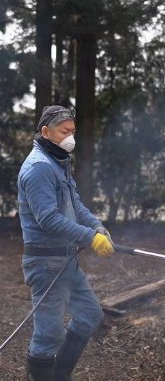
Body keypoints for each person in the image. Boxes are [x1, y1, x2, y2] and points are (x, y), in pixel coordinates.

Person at [18, 105, 114, 381]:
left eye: (73, 131)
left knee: (89, 315)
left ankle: (59, 376)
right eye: (65, 131)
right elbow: (48, 219)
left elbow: (75, 205)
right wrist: (89, 238)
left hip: (66, 261)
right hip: (46, 263)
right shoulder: (39, 167)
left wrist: (96, 227)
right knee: (49, 334)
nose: (71, 136)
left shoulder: (58, 162)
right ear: (45, 132)